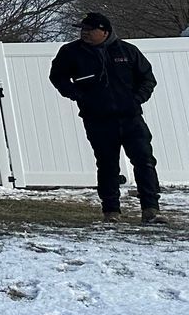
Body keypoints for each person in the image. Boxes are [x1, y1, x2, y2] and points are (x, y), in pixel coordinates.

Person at [48, 12, 162, 223]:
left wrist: (136, 99)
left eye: (90, 30)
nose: (85, 33)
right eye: (83, 30)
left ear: (104, 32)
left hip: (131, 118)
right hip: (97, 120)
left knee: (144, 160)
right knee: (107, 164)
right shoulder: (71, 52)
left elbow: (147, 78)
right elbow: (57, 77)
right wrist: (78, 95)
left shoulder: (127, 51)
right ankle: (111, 211)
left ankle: (150, 209)